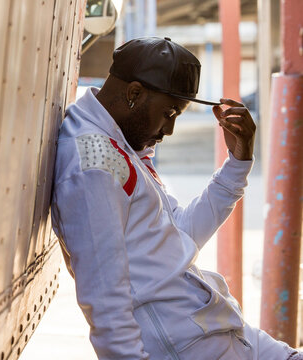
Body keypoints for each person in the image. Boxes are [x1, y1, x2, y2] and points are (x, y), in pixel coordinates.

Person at [50, 37, 302, 360]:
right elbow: (106, 305)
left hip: (223, 334)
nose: (169, 129)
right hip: (189, 347)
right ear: (134, 93)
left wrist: (237, 165)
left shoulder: (117, 144)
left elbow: (177, 234)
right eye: (168, 112)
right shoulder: (92, 163)